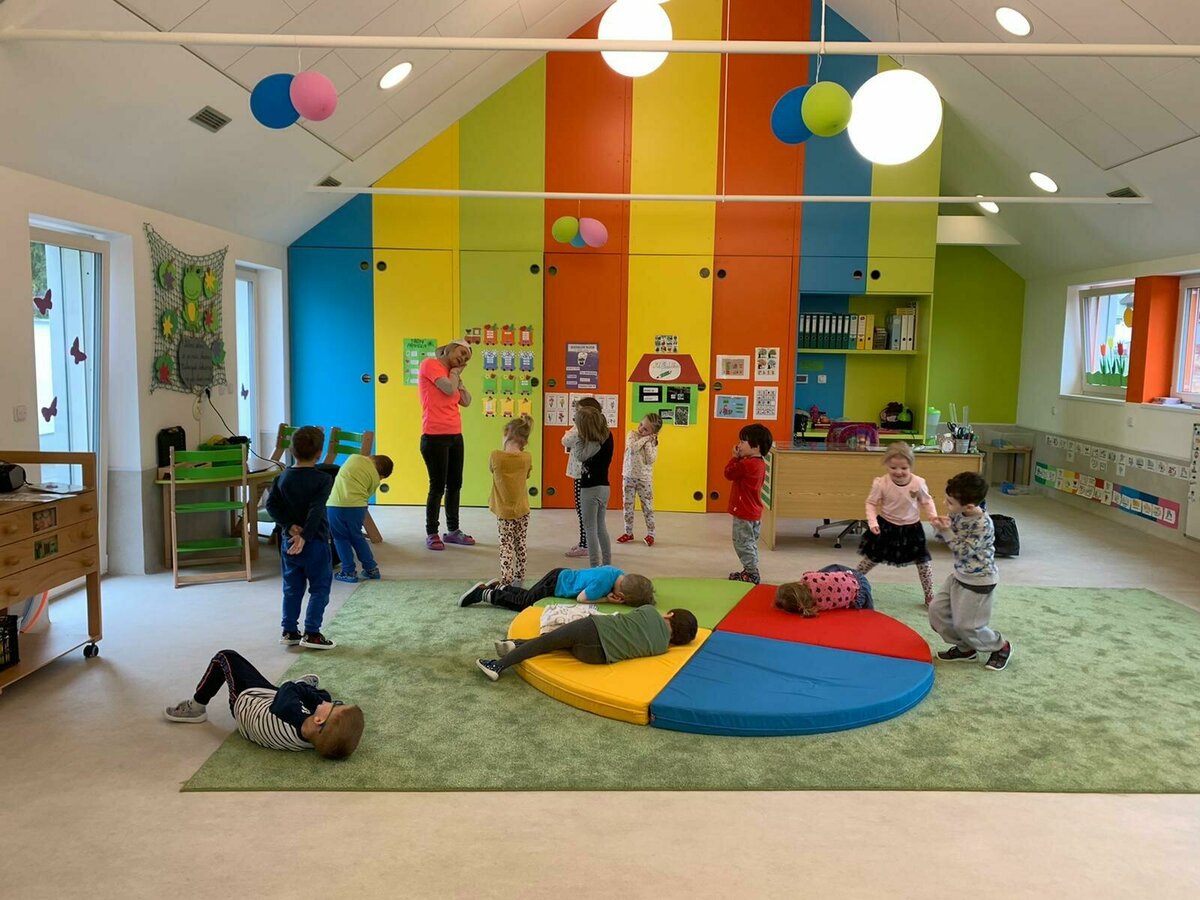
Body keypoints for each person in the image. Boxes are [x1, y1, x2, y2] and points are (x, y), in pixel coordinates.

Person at [163, 649, 364, 759]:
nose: (333, 702)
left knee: (225, 657)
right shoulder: (315, 737)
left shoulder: (287, 709)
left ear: (318, 720)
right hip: (271, 706)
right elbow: (321, 702)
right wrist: (320, 702)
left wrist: (303, 691)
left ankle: (196, 707)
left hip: (248, 699)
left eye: (337, 705)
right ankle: (303, 688)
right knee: (317, 696)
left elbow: (288, 688)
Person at [475, 605, 699, 681]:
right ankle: (516, 644)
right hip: (595, 657)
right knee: (558, 642)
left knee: (548, 641)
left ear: (669, 615)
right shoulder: (661, 648)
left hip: (593, 630)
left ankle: (498, 665)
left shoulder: (650, 612)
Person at [929, 471, 1012, 671]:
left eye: (950, 502)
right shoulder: (958, 513)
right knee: (937, 612)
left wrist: (946, 531)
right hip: (959, 575)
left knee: (968, 626)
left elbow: (963, 551)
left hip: (980, 580)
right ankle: (966, 648)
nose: (945, 504)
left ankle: (1000, 646)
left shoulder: (983, 524)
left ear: (968, 505)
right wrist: (940, 528)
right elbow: (945, 539)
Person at [265, 425, 336, 650]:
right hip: (315, 542)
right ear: (319, 453)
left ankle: (289, 631)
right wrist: (304, 535)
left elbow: (271, 505)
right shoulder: (323, 479)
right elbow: (316, 509)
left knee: (292, 588)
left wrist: (289, 526)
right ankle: (312, 633)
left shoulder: (281, 477)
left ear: (291, 450)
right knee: (320, 588)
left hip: (289, 543)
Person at [856, 442, 939, 607]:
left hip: (912, 528)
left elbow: (927, 501)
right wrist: (872, 522)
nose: (898, 472)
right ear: (887, 464)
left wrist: (933, 517)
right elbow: (871, 503)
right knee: (870, 560)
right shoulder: (881, 483)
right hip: (886, 526)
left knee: (923, 563)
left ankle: (930, 596)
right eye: (893, 467)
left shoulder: (918, 483)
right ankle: (851, 584)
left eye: (904, 468)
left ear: (911, 466)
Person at [418, 339, 475, 551]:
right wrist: (455, 374)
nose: (463, 358)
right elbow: (448, 389)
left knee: (455, 485)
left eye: (466, 357)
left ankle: (453, 530)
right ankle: (432, 532)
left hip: (455, 435)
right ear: (450, 349)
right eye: (461, 352)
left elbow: (466, 400)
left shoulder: (452, 374)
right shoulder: (430, 364)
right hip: (434, 436)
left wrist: (458, 377)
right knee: (437, 486)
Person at [458, 564, 654, 610]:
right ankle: (483, 593)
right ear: (620, 595)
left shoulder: (616, 572)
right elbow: (582, 599)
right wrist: (605, 599)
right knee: (524, 603)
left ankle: (499, 587)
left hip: (560, 574)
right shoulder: (602, 586)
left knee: (529, 594)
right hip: (556, 584)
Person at [327, 453, 393, 584]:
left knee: (340, 539)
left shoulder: (354, 457)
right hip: (358, 508)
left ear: (372, 458)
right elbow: (366, 495)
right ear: (381, 476)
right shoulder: (376, 480)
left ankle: (348, 571)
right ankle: (371, 569)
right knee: (357, 537)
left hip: (336, 505)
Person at [725, 423, 773, 584]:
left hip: (744, 511)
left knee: (742, 543)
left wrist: (735, 457)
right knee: (749, 543)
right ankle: (750, 569)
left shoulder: (746, 464)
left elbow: (728, 473)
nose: (739, 445)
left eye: (743, 441)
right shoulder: (759, 463)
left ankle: (752, 573)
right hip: (753, 511)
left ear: (756, 446)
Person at [490, 414, 533, 588]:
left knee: (506, 545)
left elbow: (491, 470)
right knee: (520, 544)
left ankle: (506, 581)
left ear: (507, 433)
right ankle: (519, 578)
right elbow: (527, 475)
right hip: (523, 509)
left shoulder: (496, 456)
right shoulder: (526, 458)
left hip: (504, 512)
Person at [561, 396, 603, 558]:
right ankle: (585, 543)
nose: (575, 415)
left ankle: (586, 546)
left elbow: (565, 440)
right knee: (585, 512)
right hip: (586, 475)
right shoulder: (596, 428)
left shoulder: (581, 428)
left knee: (583, 512)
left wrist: (574, 427)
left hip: (582, 475)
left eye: (578, 412)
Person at [576, 405, 615, 567]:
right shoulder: (608, 435)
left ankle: (594, 566)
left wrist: (579, 438)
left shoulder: (591, 442)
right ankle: (607, 564)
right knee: (600, 527)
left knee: (590, 528)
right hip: (604, 487)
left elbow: (580, 455)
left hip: (590, 488)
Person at [618, 412, 662, 546]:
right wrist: (645, 438)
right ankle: (628, 532)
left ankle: (651, 534)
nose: (641, 428)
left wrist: (649, 442)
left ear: (653, 432)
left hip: (644, 479)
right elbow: (632, 448)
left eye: (646, 429)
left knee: (648, 507)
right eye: (641, 424)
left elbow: (651, 459)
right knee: (628, 506)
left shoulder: (653, 442)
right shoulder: (632, 434)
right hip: (628, 476)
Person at [775, 564, 874, 617]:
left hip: (860, 596)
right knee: (832, 568)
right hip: (856, 578)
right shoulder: (807, 577)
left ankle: (870, 610)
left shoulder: (816, 606)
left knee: (867, 612)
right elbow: (815, 574)